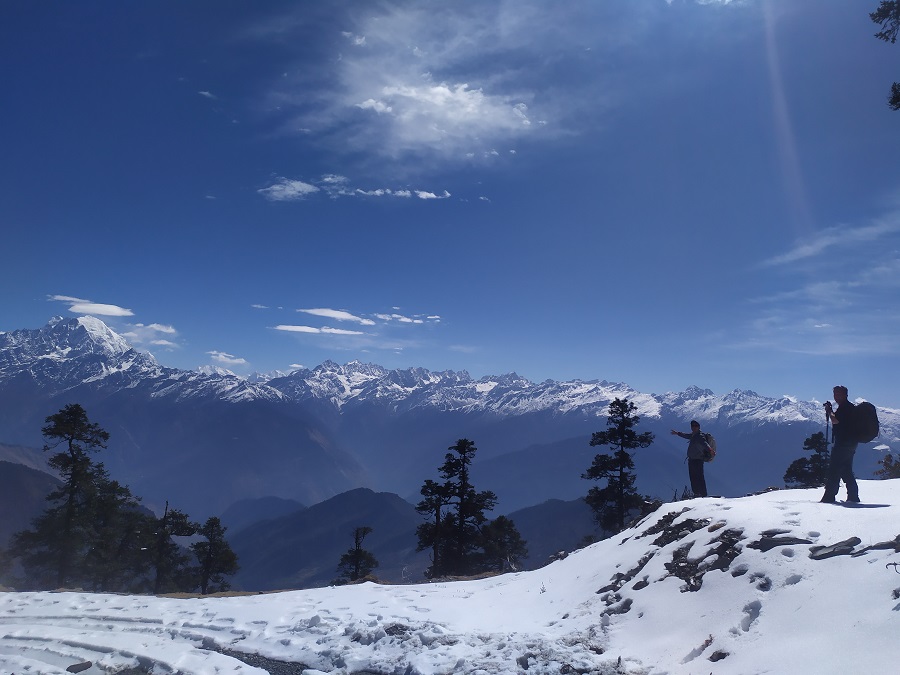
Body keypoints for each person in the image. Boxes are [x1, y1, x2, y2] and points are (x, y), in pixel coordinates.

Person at [821, 385, 860, 503]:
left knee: (834, 469)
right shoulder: (849, 407)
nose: (836, 396)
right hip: (851, 444)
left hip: (842, 443)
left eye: (838, 394)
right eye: (835, 394)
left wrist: (829, 411)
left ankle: (829, 496)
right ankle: (853, 496)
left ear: (845, 395)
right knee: (846, 470)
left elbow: (836, 420)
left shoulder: (845, 408)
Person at [670, 420, 710, 498]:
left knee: (699, 477)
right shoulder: (693, 435)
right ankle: (697, 493)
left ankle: (703, 494)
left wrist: (710, 450)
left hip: (698, 460)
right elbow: (686, 435)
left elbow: (705, 444)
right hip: (692, 460)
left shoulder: (700, 436)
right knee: (693, 477)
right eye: (692, 426)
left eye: (695, 426)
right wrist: (677, 433)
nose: (694, 428)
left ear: (699, 427)